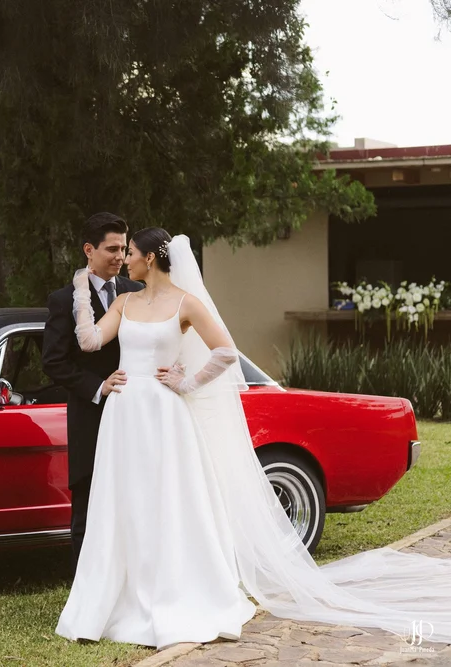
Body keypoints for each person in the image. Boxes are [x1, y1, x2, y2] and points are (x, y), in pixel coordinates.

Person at [56, 227, 451, 649]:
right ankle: (118, 593)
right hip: (124, 413)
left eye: (131, 253)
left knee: (165, 499)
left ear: (150, 258)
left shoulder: (186, 304)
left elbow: (225, 351)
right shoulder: (124, 301)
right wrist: (82, 288)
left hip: (164, 412)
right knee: (125, 500)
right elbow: (90, 340)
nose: (125, 260)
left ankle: (169, 593)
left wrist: (186, 381)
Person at [41, 212, 143, 564]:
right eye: (111, 249)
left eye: (123, 249)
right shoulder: (63, 299)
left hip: (136, 414)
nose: (120, 256)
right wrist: (98, 386)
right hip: (90, 416)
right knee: (88, 504)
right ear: (89, 250)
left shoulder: (138, 293)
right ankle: (87, 589)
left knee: (134, 499)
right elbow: (53, 362)